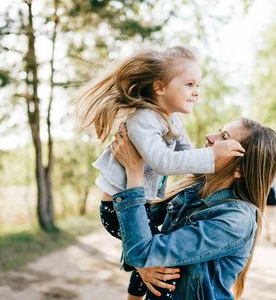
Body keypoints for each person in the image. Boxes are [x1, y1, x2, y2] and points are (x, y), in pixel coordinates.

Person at [76, 46, 244, 300]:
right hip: (118, 208)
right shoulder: (143, 119)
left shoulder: (174, 121)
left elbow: (186, 155)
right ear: (160, 87)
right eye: (189, 84)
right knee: (159, 265)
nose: (196, 92)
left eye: (198, 85)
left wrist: (213, 160)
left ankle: (133, 296)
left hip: (139, 202)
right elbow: (163, 162)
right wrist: (212, 156)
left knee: (155, 254)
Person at [110, 118, 276, 299]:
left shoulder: (235, 220)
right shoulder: (191, 191)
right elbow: (134, 228)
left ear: (239, 169)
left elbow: (142, 251)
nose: (209, 136)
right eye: (219, 130)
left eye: (224, 137)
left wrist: (134, 172)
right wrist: (144, 265)